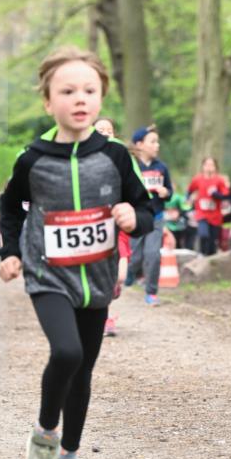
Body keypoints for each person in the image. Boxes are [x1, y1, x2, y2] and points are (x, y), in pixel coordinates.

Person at [0, 46, 154, 459]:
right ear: (49, 102)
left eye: (89, 90)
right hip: (48, 275)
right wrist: (9, 252)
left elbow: (144, 207)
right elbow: (10, 208)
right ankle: (46, 433)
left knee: (83, 370)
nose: (79, 98)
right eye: (67, 91)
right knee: (66, 351)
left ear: (101, 98)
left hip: (98, 279)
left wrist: (133, 216)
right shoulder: (33, 160)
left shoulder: (114, 157)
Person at [127, 124, 173, 306]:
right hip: (137, 218)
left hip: (156, 217)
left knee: (153, 255)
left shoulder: (162, 167)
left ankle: (151, 292)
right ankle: (129, 274)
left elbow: (170, 192)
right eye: (152, 142)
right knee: (135, 257)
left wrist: (165, 192)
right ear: (139, 144)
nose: (157, 145)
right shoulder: (131, 166)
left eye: (157, 142)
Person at [94, 117, 131, 337]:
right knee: (98, 273)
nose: (105, 133)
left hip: (118, 222)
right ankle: (104, 318)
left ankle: (112, 288)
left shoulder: (123, 159)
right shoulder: (83, 158)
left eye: (109, 130)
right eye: (100, 130)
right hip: (94, 224)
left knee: (120, 275)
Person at [187, 157, 231, 256]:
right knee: (203, 235)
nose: (209, 167)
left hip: (215, 216)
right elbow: (189, 190)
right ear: (203, 166)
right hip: (201, 213)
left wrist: (215, 194)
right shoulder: (197, 179)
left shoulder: (219, 180)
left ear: (215, 167)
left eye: (211, 165)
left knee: (212, 242)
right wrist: (189, 199)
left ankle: (210, 259)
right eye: (207, 165)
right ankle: (202, 254)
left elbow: (225, 196)